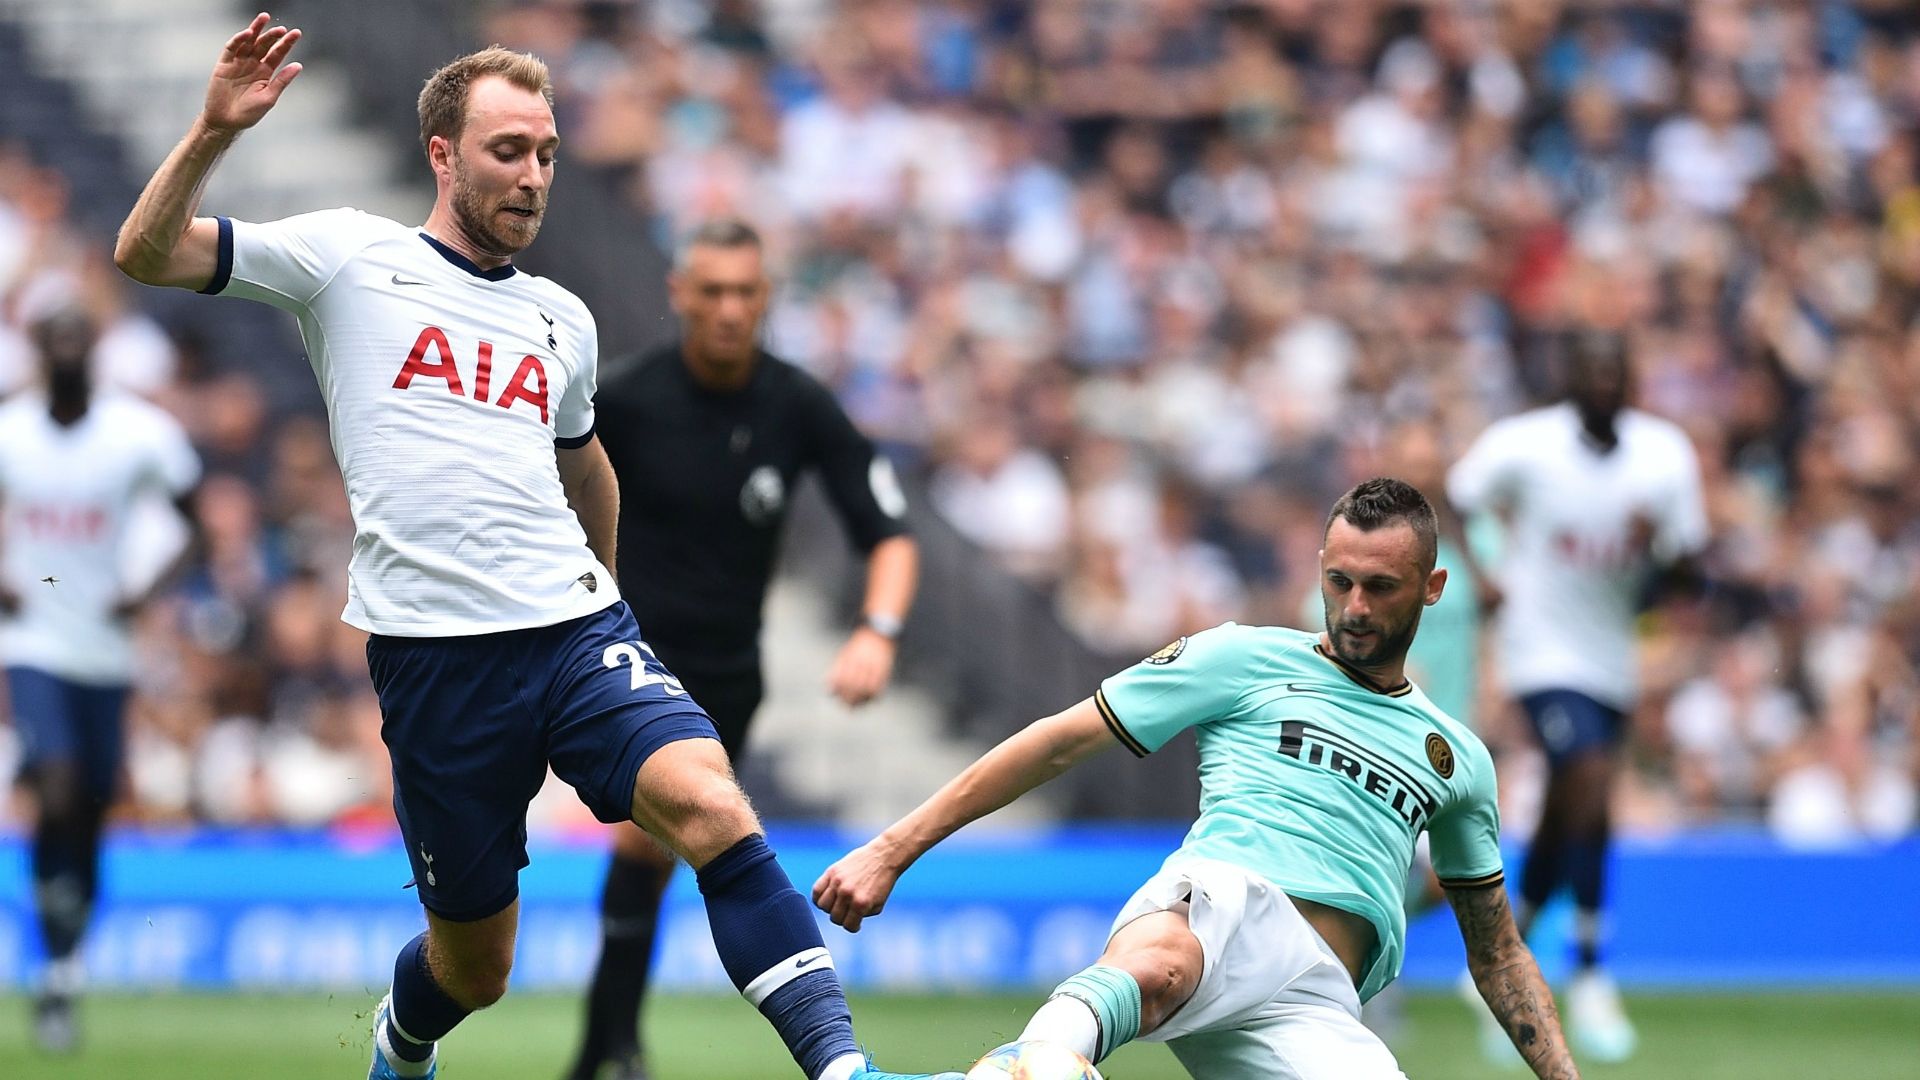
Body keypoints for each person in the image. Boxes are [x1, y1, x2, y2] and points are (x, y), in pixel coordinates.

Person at [111, 15, 956, 1080]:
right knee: (477, 969)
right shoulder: (349, 258)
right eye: (509, 150)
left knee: (710, 800)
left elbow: (583, 459)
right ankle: (402, 1034)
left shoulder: (563, 318)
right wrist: (211, 131)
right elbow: (143, 253)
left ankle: (844, 1069)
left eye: (548, 153)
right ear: (443, 154)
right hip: (436, 664)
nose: (533, 175)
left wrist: (605, 590)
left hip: (572, 633)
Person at [816, 479, 1582, 1080]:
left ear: (1433, 587)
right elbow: (1058, 742)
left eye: (1380, 587)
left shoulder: (1455, 756)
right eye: (1339, 580)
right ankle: (1036, 1063)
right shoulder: (1243, 658)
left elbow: (1499, 951)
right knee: (1163, 966)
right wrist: (892, 849)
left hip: (1318, 1001)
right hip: (1227, 900)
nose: (1354, 607)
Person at [566, 218, 918, 1080]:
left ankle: (605, 1049)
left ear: (765, 299)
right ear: (680, 294)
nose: (728, 310)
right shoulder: (628, 402)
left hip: (728, 677)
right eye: (711, 291)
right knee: (648, 847)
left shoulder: (795, 404)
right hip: (629, 661)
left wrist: (877, 632)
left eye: (744, 293)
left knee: (651, 853)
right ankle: (612, 1050)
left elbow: (890, 531)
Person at [1445, 333, 1708, 1063]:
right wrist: (1486, 572)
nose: (1603, 383)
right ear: (1569, 380)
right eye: (1590, 371)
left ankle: (1509, 940)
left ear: (1631, 383)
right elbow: (1459, 497)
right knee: (1588, 773)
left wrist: (1665, 552)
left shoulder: (1665, 457)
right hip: (1540, 647)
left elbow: (1690, 575)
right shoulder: (1525, 446)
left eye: (1614, 371)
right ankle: (1590, 968)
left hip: (1612, 655)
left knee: (1582, 798)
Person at [0, 306, 202, 1053]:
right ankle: (56, 911)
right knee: (54, 783)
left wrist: (147, 593)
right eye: (53, 342)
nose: (65, 354)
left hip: (107, 652)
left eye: (76, 341)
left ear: (95, 353)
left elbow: (198, 521)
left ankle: (60, 970)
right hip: (33, 642)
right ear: (36, 353)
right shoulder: (11, 430)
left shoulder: (136, 434)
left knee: (87, 810)